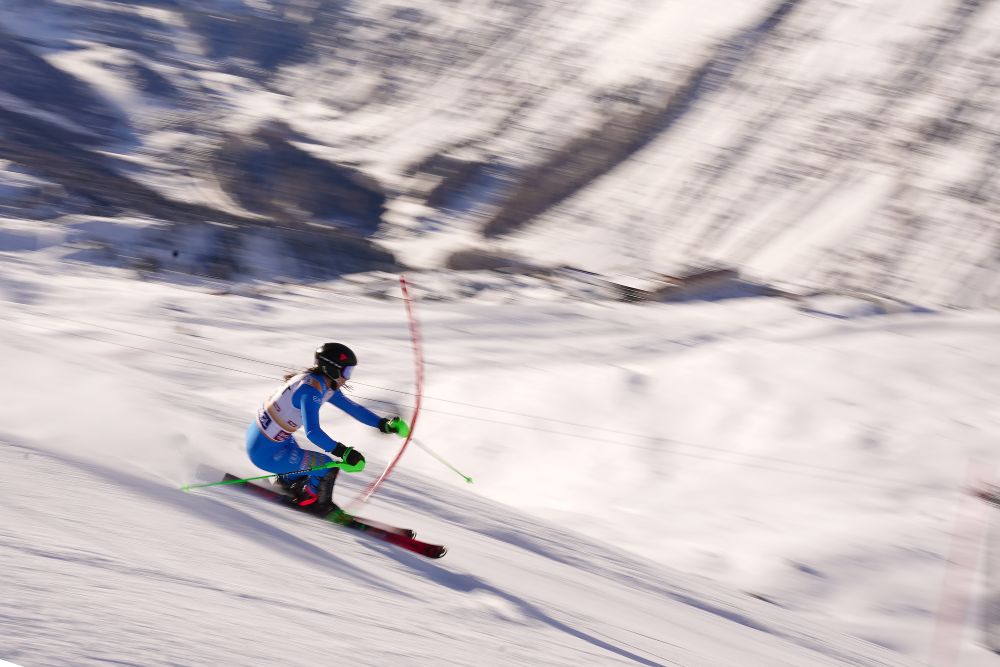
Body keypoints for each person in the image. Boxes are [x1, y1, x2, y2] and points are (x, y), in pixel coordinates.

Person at [245, 342, 410, 513]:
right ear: (332, 369)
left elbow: (353, 408)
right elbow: (313, 432)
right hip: (266, 453)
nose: (348, 378)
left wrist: (383, 424)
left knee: (306, 466)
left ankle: (287, 484)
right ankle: (319, 504)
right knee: (326, 467)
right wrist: (344, 452)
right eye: (346, 372)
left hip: (266, 441)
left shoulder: (319, 382)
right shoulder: (311, 391)